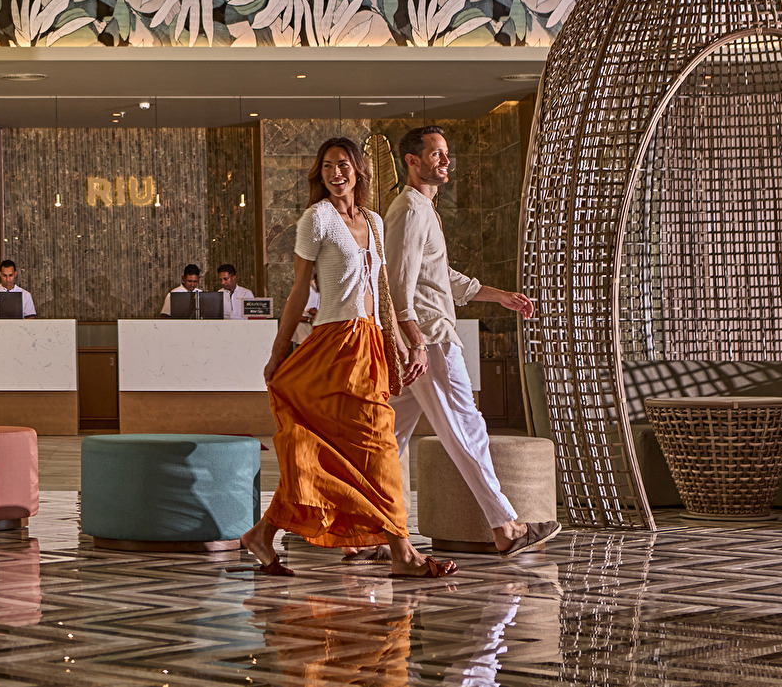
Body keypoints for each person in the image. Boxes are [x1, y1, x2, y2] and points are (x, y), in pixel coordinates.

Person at [239, 137, 450, 577]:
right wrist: (278, 352)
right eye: (328, 166)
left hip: (370, 343)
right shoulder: (316, 219)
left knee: (343, 453)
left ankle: (262, 533)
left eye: (343, 165)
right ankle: (402, 552)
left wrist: (404, 341)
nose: (336, 173)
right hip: (335, 345)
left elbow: (384, 291)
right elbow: (299, 291)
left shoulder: (374, 221)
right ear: (320, 174)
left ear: (358, 171)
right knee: (378, 447)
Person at [385, 124, 558, 558]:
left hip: (422, 339)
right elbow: (399, 283)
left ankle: (364, 533)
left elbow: (439, 276)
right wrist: (414, 340)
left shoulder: (423, 209)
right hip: (429, 340)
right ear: (412, 161)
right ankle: (506, 526)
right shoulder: (410, 209)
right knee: (467, 427)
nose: (446, 161)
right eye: (436, 154)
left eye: (446, 153)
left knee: (387, 438)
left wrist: (497, 296)